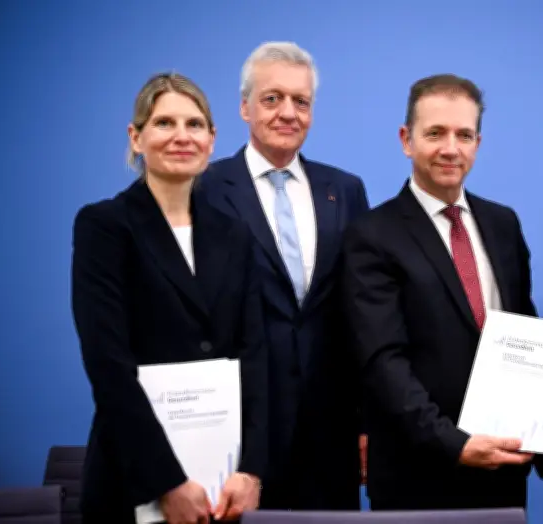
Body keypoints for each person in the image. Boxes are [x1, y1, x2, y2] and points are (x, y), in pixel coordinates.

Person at [71, 72, 267, 524]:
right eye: (164, 123)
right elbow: (107, 365)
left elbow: (256, 356)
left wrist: (252, 471)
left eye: (194, 124)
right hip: (135, 483)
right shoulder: (104, 226)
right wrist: (166, 482)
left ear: (212, 139)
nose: (182, 136)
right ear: (136, 137)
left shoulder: (234, 234)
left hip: (226, 487)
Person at [340, 73, 536, 510]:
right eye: (435, 133)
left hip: (502, 464)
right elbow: (382, 362)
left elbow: (520, 329)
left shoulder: (503, 224)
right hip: (418, 471)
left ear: (478, 144)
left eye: (464, 135)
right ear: (406, 140)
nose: (451, 148)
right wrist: (455, 444)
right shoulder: (371, 235)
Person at [198, 42, 370, 510]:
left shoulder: (345, 190)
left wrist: (366, 422)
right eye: (272, 99)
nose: (288, 113)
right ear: (245, 107)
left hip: (330, 431)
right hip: (237, 432)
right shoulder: (205, 188)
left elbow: (360, 313)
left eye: (301, 101)